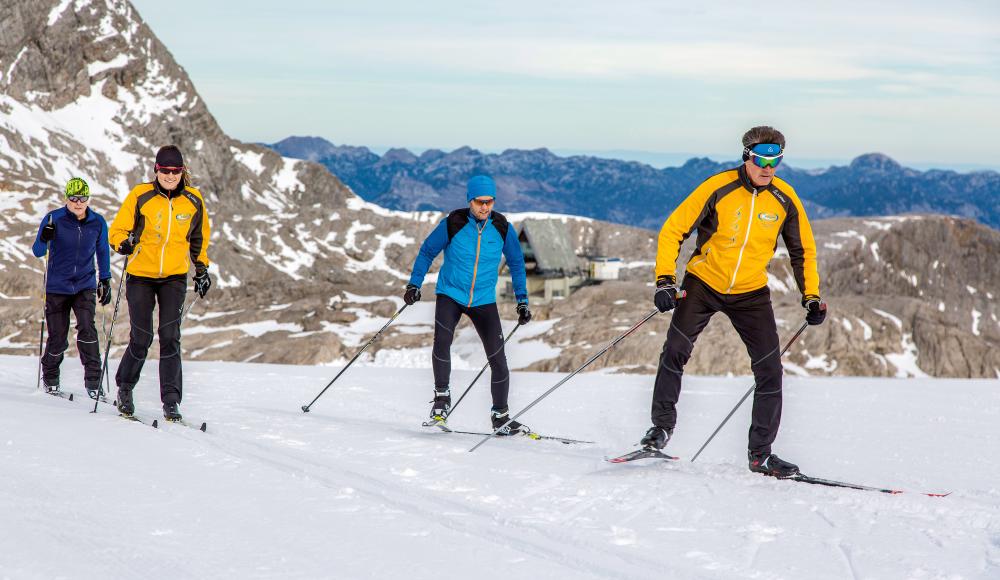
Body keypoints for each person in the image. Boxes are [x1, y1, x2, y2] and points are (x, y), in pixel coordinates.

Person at [640, 126, 827, 478]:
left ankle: (761, 455)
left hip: (751, 292)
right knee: (675, 351)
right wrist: (665, 280)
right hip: (704, 282)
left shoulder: (785, 199)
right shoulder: (718, 187)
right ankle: (660, 430)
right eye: (762, 160)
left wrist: (812, 296)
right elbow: (672, 230)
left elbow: (804, 251)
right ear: (747, 156)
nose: (768, 168)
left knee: (770, 370)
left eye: (776, 161)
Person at [406, 175, 532, 434]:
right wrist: (414, 284)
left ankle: (501, 417)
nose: (484, 207)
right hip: (451, 294)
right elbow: (427, 251)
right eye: (479, 202)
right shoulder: (454, 222)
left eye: (489, 202)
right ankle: (441, 401)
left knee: (498, 359)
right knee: (442, 342)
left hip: (483, 300)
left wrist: (522, 301)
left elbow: (517, 263)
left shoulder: (502, 227)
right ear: (469, 200)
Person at [107, 145, 212, 422]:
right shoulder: (141, 195)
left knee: (170, 338)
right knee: (141, 338)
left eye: (175, 171)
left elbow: (199, 238)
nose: (169, 175)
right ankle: (125, 389)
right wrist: (123, 243)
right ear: (156, 169)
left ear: (182, 172)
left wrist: (202, 269)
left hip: (174, 278)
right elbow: (117, 230)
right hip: (141, 275)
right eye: (165, 170)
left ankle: (171, 402)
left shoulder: (193, 199)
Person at [31, 178, 112, 399]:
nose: (78, 202)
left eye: (83, 198)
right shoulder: (53, 218)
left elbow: (103, 251)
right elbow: (38, 251)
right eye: (74, 198)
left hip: (84, 285)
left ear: (88, 199)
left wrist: (105, 279)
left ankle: (94, 383)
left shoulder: (97, 222)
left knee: (87, 329)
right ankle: (50, 377)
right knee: (58, 337)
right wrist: (44, 237)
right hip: (58, 286)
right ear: (66, 198)